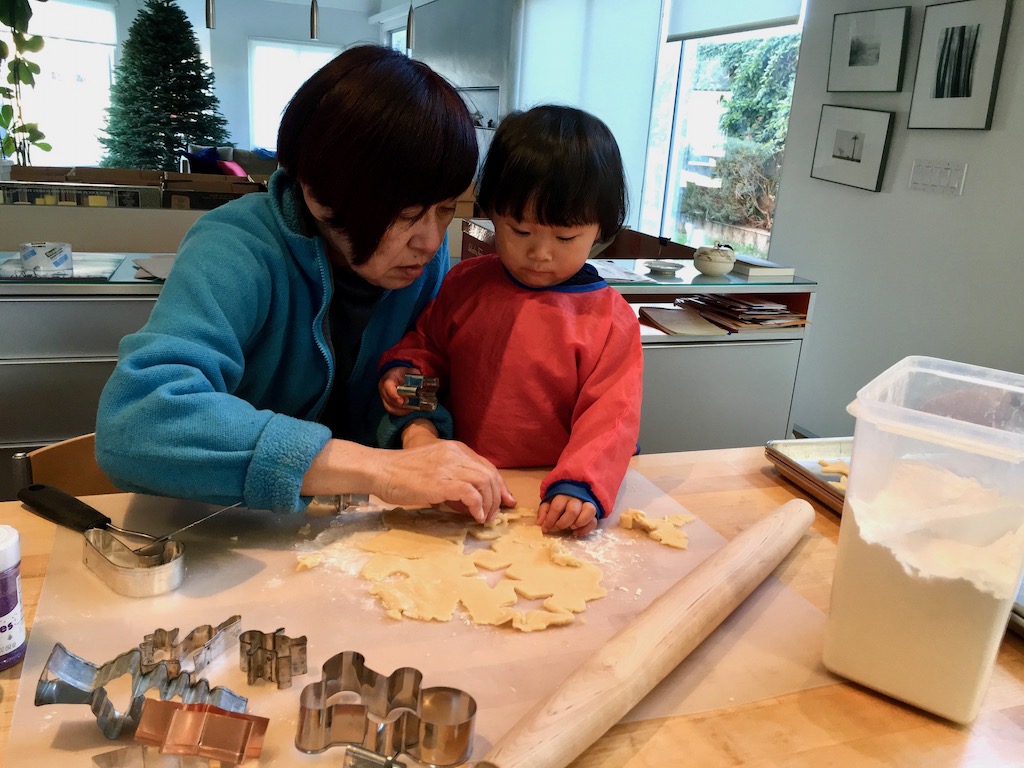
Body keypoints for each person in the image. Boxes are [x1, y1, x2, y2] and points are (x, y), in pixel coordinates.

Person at [94, 44, 513, 521]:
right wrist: (379, 469)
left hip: (354, 529)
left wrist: (420, 437)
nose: (431, 241)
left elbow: (416, 368)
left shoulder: (425, 263)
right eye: (406, 213)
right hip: (230, 526)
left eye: (445, 209)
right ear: (317, 192)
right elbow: (136, 423)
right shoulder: (235, 247)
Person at [378, 105, 643, 537]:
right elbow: (429, 356)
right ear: (492, 212)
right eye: (520, 232)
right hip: (463, 480)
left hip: (551, 491)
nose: (540, 253)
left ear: (601, 228)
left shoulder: (608, 317)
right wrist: (407, 380)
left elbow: (613, 416)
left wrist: (581, 485)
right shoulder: (465, 283)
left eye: (565, 237)